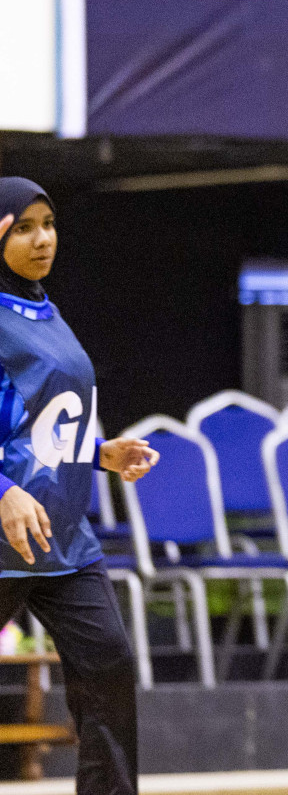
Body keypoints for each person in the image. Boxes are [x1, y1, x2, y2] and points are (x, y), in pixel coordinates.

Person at [0, 178, 159, 795]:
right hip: (5, 534)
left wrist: (98, 453)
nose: (43, 239)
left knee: (109, 669)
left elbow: (35, 423)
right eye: (24, 227)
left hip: (62, 537)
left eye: (50, 224)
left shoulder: (44, 309)